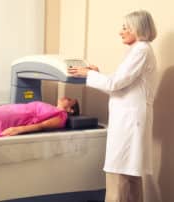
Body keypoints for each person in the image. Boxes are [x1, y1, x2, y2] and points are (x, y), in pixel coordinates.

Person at [68, 10, 157, 202]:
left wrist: (87, 74)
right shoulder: (137, 50)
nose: (120, 31)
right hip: (130, 120)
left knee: (119, 175)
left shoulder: (141, 49)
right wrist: (98, 74)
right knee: (131, 175)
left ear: (138, 29)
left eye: (125, 27)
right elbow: (119, 87)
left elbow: (115, 84)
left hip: (130, 123)